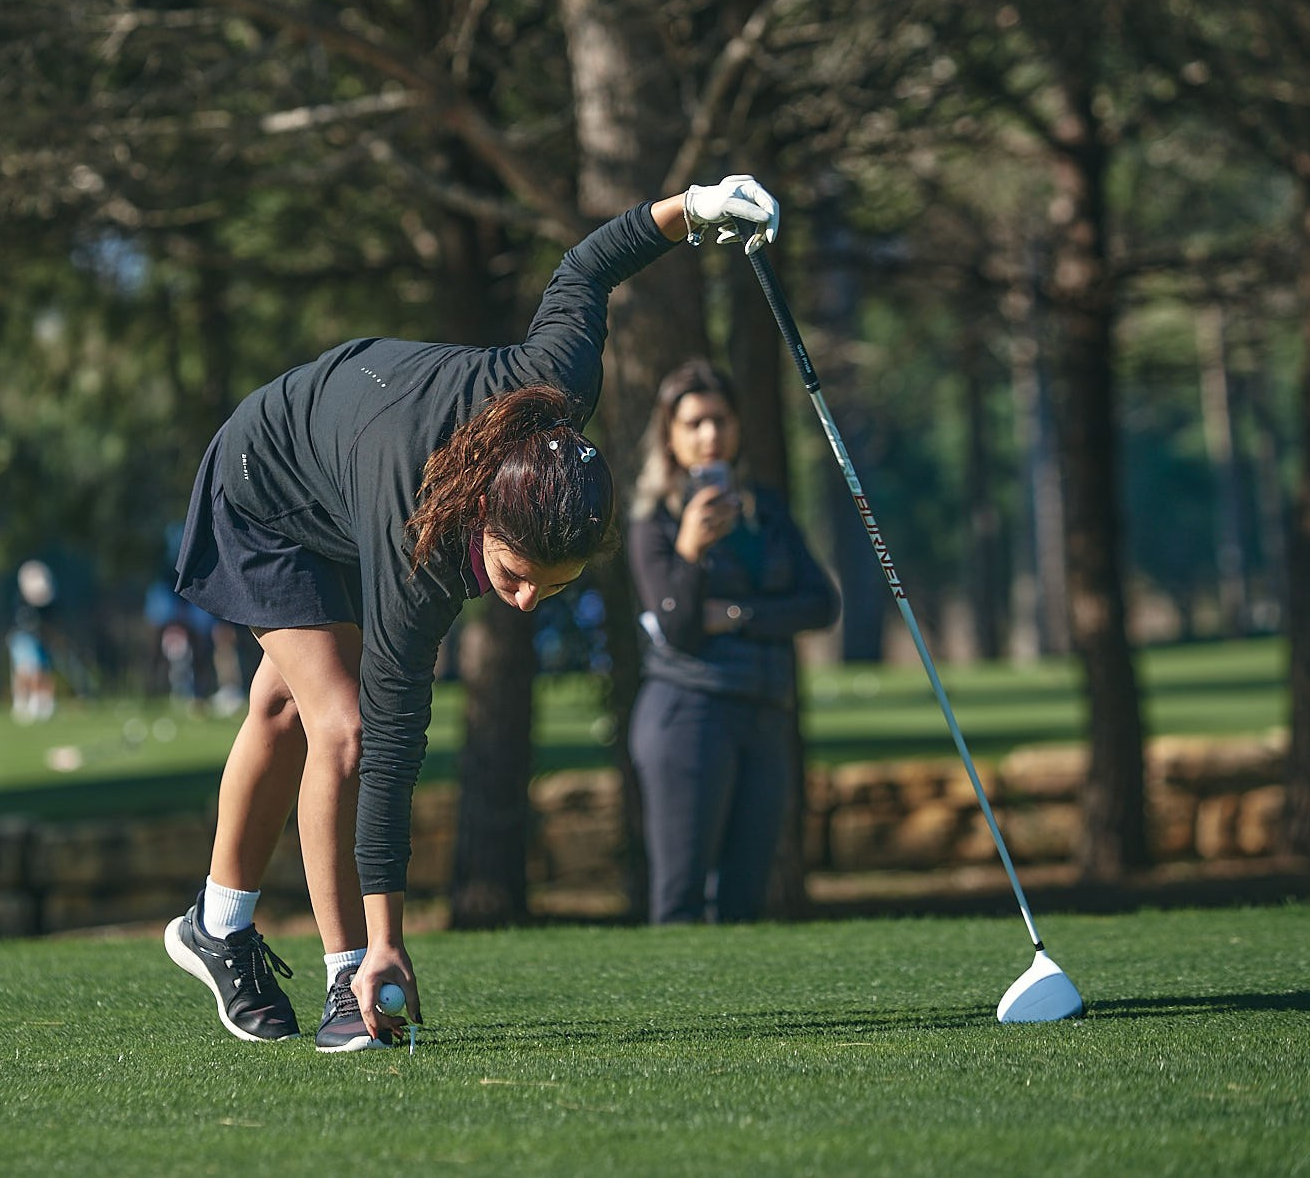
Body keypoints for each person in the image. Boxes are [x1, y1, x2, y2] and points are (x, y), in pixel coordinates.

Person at [162, 176, 782, 1053]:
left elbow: (586, 271)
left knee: (284, 704)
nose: (524, 601)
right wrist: (384, 944)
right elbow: (394, 746)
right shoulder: (416, 541)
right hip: (265, 484)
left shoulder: (556, 387)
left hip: (341, 463)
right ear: (484, 516)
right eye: (516, 576)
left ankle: (215, 923)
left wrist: (697, 208)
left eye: (552, 586)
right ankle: (346, 979)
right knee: (342, 726)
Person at [624, 359, 839, 925]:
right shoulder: (656, 522)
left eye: (719, 420)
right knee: (681, 898)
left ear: (738, 426)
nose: (709, 434)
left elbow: (821, 603)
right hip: (688, 714)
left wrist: (739, 614)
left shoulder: (765, 510)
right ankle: (678, 1014)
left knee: (745, 900)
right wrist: (691, 550)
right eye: (693, 423)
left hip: (764, 712)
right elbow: (678, 627)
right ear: (669, 436)